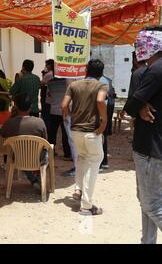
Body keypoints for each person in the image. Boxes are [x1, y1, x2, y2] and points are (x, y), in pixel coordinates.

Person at [123, 27, 162, 244]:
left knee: (151, 204)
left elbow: (129, 106)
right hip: (153, 146)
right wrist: (140, 106)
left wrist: (138, 106)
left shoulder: (152, 71)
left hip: (150, 146)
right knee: (148, 201)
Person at [62, 59, 108, 216]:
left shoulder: (74, 85)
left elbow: (64, 105)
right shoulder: (101, 86)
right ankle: (86, 206)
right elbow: (100, 100)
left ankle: (78, 188)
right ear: (101, 73)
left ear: (86, 70)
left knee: (82, 159)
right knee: (94, 162)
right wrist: (104, 121)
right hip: (91, 131)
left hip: (75, 130)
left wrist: (67, 118)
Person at [0, 93, 48, 190]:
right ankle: (38, 179)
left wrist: (12, 117)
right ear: (30, 107)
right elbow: (45, 141)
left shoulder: (9, 123)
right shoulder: (39, 122)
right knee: (46, 153)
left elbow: (2, 133)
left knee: (23, 155)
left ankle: (33, 180)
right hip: (38, 158)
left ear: (16, 106)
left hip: (17, 157)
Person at [47, 77, 72, 160]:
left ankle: (51, 152)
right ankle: (67, 154)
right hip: (64, 110)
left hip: (53, 110)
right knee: (66, 133)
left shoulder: (50, 82)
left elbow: (48, 97)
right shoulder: (67, 82)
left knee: (52, 133)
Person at [99, 75, 116, 170]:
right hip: (105, 111)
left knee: (100, 138)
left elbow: (100, 100)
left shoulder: (100, 81)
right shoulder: (106, 80)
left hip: (101, 113)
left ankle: (102, 163)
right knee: (103, 137)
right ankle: (104, 162)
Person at [41, 59, 54, 131]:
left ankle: (47, 129)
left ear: (50, 65)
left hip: (47, 97)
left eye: (46, 65)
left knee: (46, 115)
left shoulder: (48, 75)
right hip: (53, 98)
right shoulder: (55, 74)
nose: (45, 66)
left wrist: (43, 75)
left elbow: (41, 84)